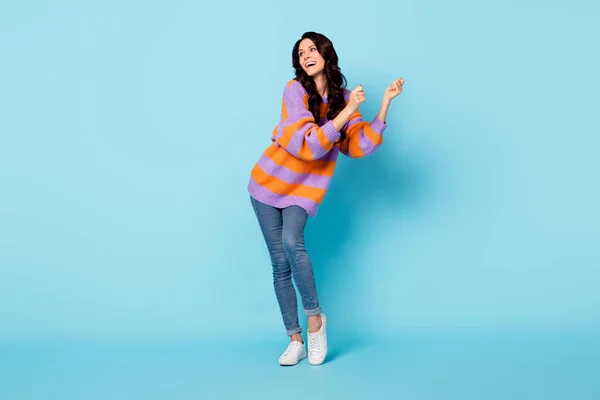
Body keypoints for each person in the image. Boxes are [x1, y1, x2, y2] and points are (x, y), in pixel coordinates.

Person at [248, 31, 404, 366]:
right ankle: (294, 339)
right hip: (266, 183)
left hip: (305, 189)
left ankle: (316, 320)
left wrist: (384, 106)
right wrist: (347, 112)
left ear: (325, 53)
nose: (306, 55)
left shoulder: (343, 97)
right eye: (301, 52)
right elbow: (309, 145)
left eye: (312, 48)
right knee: (279, 264)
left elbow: (357, 146)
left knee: (293, 242)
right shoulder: (294, 92)